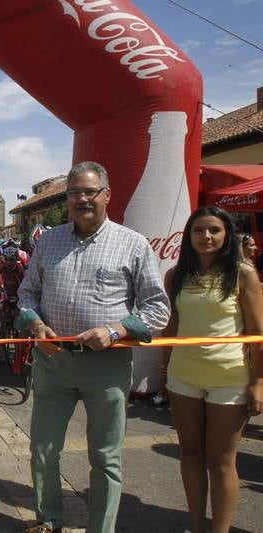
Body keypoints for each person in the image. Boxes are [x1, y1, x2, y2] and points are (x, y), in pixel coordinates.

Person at [17, 161, 170, 533]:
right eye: (74, 193)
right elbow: (26, 293)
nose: (81, 199)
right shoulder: (49, 241)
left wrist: (116, 331)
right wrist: (35, 324)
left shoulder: (132, 244)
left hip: (107, 366)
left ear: (107, 195)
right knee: (43, 451)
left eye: (89, 192)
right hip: (53, 363)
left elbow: (158, 309)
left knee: (105, 458)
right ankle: (48, 521)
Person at [161, 206, 263, 533]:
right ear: (188, 236)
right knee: (190, 455)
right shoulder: (175, 276)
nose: (206, 237)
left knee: (221, 463)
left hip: (229, 378)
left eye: (214, 230)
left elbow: (257, 332)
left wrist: (258, 382)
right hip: (183, 377)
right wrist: (165, 370)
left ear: (226, 235)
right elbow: (172, 328)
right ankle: (195, 525)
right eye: (199, 230)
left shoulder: (243, 273)